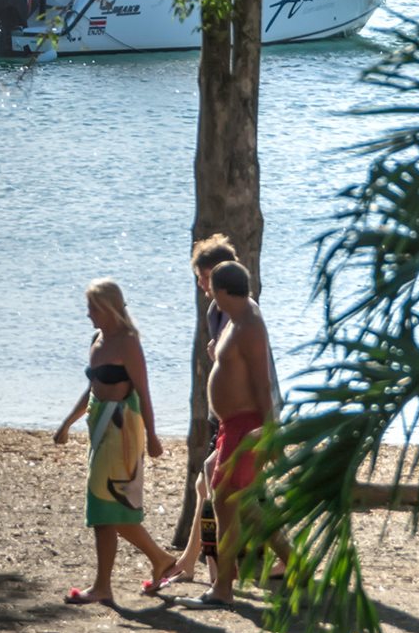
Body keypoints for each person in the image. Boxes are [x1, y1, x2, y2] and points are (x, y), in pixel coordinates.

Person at [53, 278, 176, 607]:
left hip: (123, 429)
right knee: (104, 507)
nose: (88, 313)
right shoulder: (98, 339)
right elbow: (93, 388)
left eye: (93, 307)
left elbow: (144, 392)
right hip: (99, 426)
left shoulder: (128, 342)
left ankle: (111, 582)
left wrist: (153, 436)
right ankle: (150, 564)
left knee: (104, 504)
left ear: (108, 308)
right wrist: (67, 422)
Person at [182, 259, 291, 609]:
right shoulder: (234, 319)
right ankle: (294, 563)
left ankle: (222, 589)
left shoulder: (250, 324)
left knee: (226, 501)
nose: (207, 291)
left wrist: (269, 431)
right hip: (233, 425)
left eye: (212, 286)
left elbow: (262, 383)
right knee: (237, 500)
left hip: (246, 427)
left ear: (224, 290)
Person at [147, 234, 237, 591]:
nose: (201, 285)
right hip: (227, 415)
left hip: (242, 416)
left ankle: (216, 574)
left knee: (213, 487)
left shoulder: (237, 310)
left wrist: (220, 352)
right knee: (208, 486)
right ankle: (191, 562)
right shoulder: (216, 309)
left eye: (203, 277)